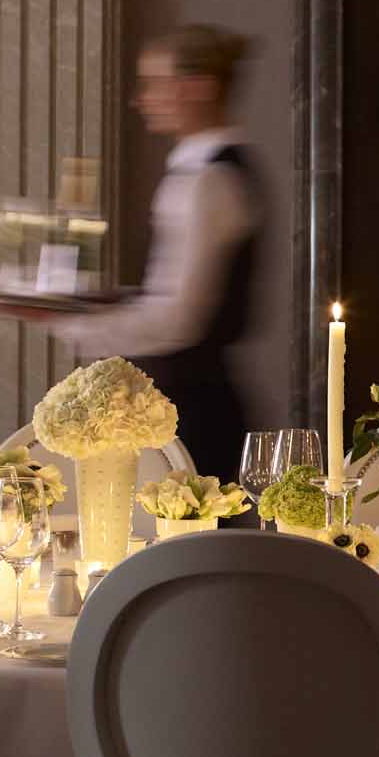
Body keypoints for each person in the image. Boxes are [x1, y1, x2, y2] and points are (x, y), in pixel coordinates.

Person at [44, 24, 266, 482]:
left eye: (154, 83)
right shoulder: (203, 171)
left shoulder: (210, 180)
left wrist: (66, 320)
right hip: (190, 401)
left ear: (199, 87)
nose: (140, 99)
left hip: (193, 411)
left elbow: (178, 318)